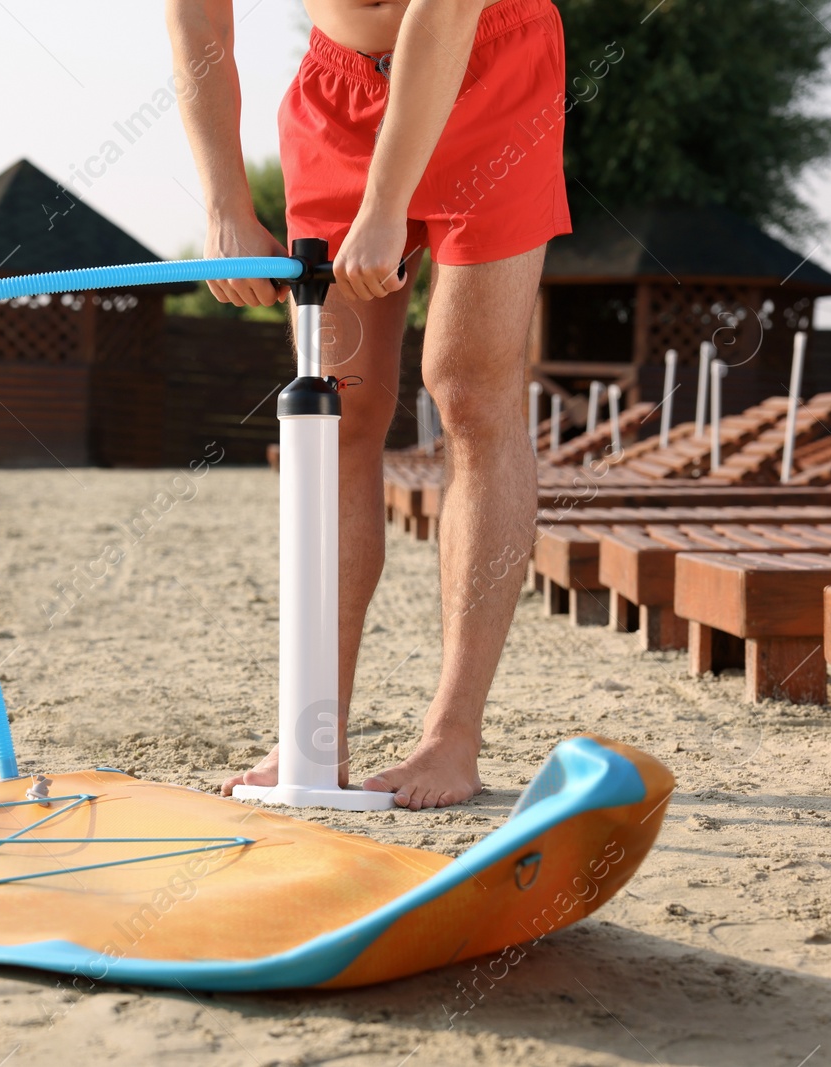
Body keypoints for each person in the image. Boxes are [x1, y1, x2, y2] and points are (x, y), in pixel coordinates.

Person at [166, 0, 570, 809]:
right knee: (338, 409)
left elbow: (447, 10)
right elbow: (198, 20)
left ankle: (452, 736)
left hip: (488, 63)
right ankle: (313, 733)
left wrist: (387, 206)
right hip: (339, 89)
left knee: (466, 389)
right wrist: (223, 205)